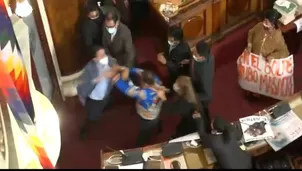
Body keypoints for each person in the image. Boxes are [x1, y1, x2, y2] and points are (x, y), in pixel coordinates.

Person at [112, 67, 167, 147]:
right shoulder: (156, 79)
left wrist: (116, 79)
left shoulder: (144, 94)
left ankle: (140, 146)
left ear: (146, 84)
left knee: (144, 134)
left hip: (147, 117)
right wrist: (127, 69)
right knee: (156, 121)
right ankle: (158, 129)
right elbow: (142, 72)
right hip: (156, 111)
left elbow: (129, 91)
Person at [77, 46, 117, 140]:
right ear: (94, 59)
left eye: (104, 54)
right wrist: (100, 77)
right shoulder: (89, 69)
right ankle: (84, 130)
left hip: (106, 94)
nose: (104, 57)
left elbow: (116, 67)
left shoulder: (110, 61)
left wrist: (116, 75)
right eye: (101, 56)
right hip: (95, 98)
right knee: (92, 118)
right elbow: (83, 85)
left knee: (108, 103)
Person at [190, 40, 215, 120]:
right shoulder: (209, 55)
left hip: (201, 95)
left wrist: (192, 97)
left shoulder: (205, 75)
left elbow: (208, 95)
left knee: (203, 112)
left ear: (202, 57)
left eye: (196, 52)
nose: (193, 52)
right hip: (196, 82)